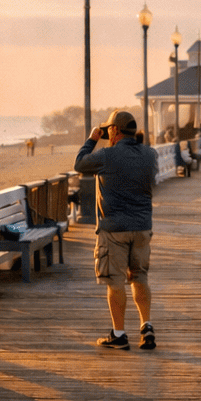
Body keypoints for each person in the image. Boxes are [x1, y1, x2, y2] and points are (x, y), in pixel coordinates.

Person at [75, 110, 161, 350]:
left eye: (108, 130)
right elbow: (151, 181)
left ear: (114, 130)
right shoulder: (149, 155)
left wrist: (92, 140)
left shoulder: (106, 155)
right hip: (142, 226)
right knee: (140, 276)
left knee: (115, 281)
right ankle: (146, 326)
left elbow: (79, 164)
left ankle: (119, 334)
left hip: (114, 228)